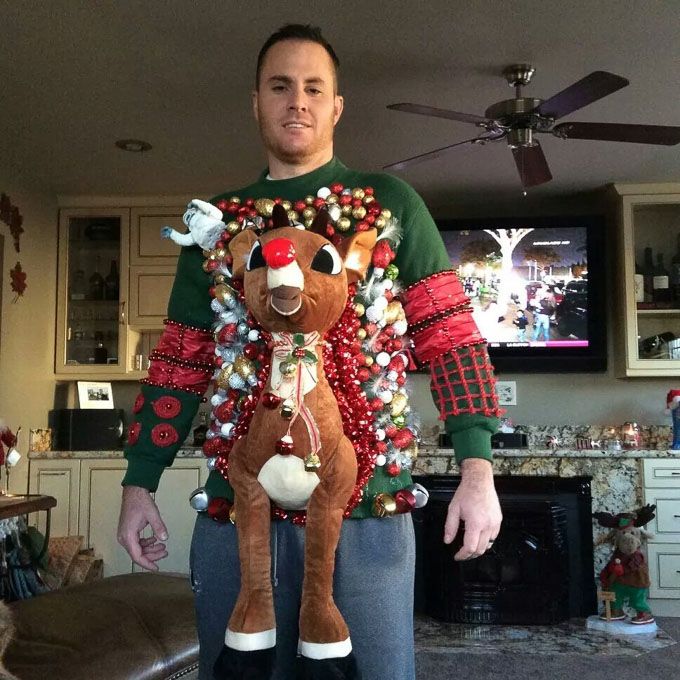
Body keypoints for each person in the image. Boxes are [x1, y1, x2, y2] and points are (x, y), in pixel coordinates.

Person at [117, 24, 502, 680]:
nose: (297, 100)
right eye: (280, 86)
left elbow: (451, 335)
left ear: (335, 106)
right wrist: (139, 481)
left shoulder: (387, 205)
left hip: (367, 510)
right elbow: (181, 362)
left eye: (313, 88)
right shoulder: (216, 226)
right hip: (236, 512)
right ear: (256, 102)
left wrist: (477, 470)